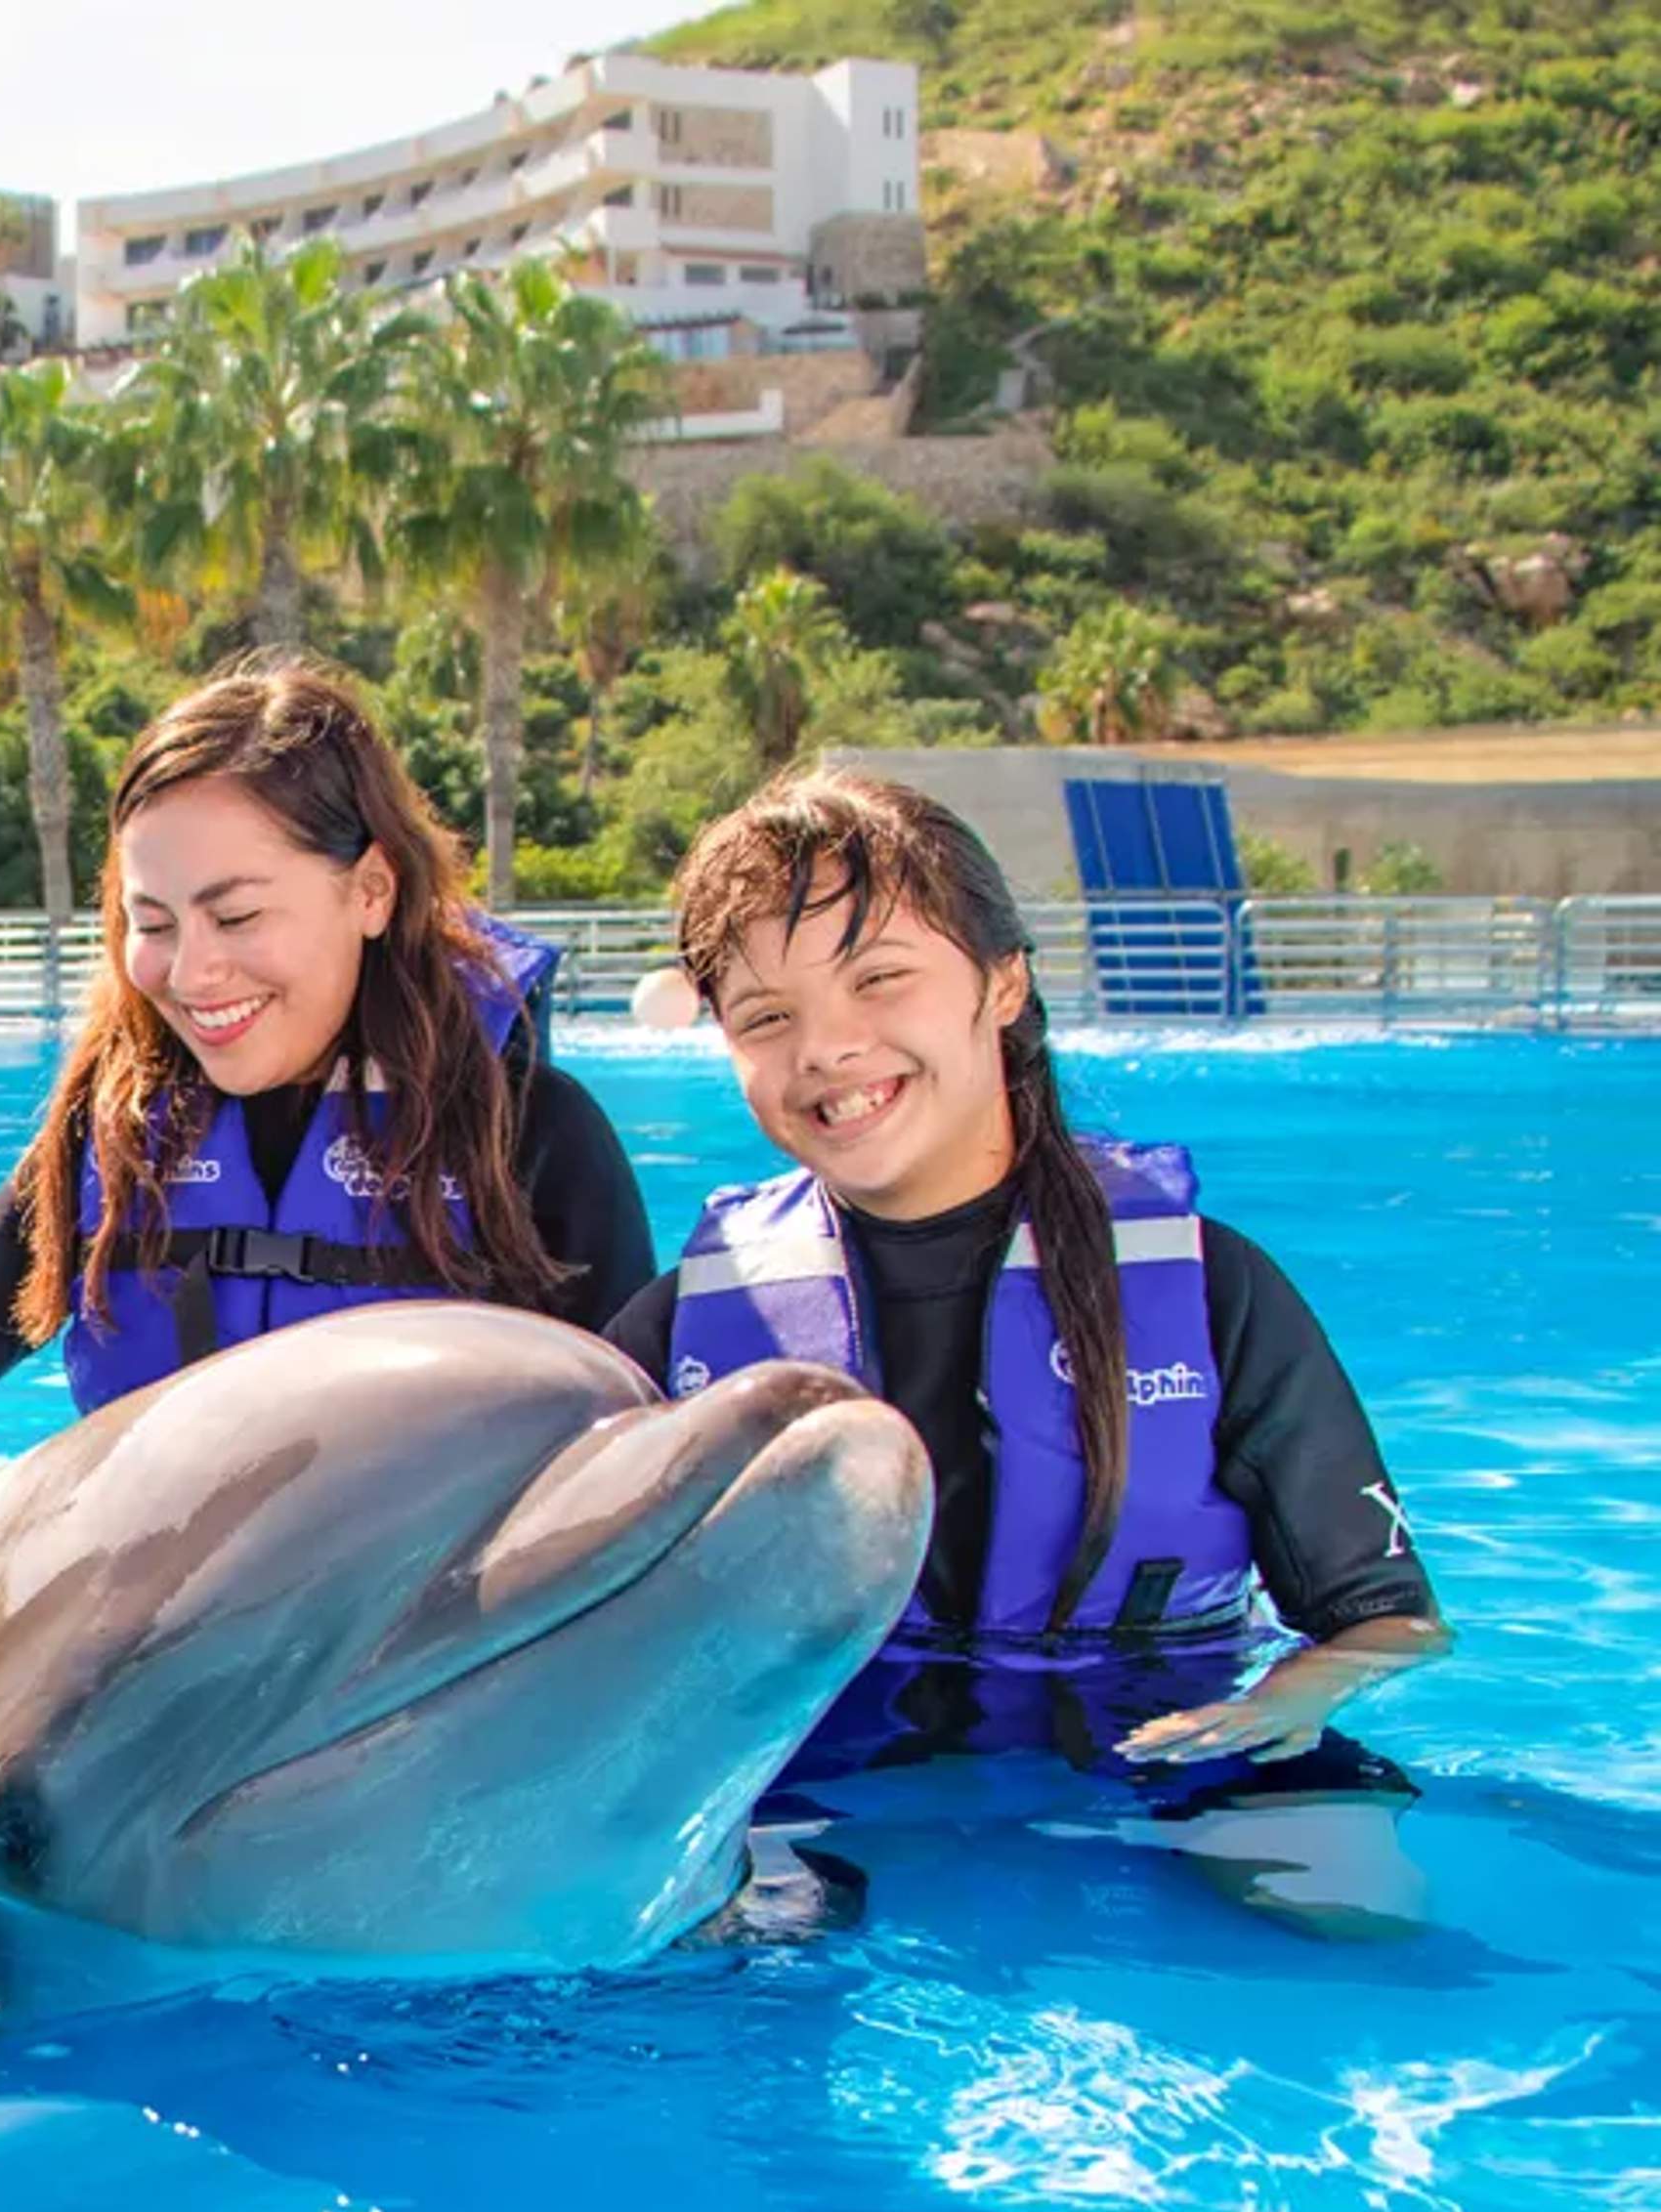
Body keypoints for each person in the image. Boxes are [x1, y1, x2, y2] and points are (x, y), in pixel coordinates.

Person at [599, 770, 1447, 1931]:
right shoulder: (690, 1321)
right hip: (808, 1763)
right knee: (704, 1955)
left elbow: (1386, 1618)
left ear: (1003, 984)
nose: (828, 1049)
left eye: (880, 978)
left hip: (1165, 1730)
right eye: (766, 1017)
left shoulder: (1207, 1288)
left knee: (1355, 1916)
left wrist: (1273, 1709)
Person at [0, 657, 656, 1540]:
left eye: (236, 918)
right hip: (156, 1634)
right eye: (153, 925)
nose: (190, 974)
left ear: (373, 891)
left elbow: (639, 1490)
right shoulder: (112, 1140)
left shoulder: (532, 1139)